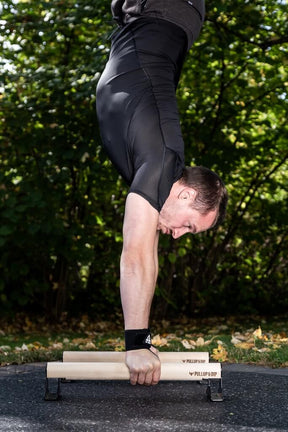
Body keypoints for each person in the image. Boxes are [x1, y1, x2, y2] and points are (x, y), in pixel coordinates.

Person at [96, 0, 228, 386]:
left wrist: (145, 338)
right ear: (185, 195)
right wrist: (134, 343)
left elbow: (146, 252)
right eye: (189, 227)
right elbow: (135, 255)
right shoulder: (160, 164)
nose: (179, 235)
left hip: (159, 17)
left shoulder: (156, 172)